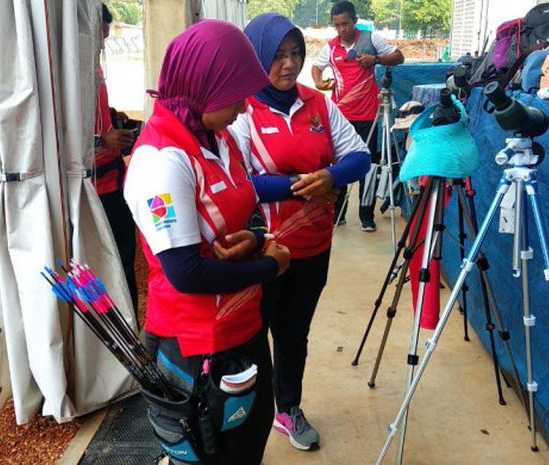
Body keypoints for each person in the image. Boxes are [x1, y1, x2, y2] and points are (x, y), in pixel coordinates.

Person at [123, 20, 291, 465]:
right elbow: (186, 273)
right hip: (194, 344)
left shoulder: (221, 136)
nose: (243, 106)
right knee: (211, 453)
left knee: (249, 439)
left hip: (243, 327)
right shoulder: (161, 161)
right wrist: (272, 265)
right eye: (233, 95)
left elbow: (248, 204)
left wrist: (255, 238)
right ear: (199, 88)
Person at [230, 13, 370, 451]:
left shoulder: (319, 104)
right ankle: (246, 417)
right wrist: (301, 186)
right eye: (276, 56)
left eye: (295, 54)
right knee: (252, 337)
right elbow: (240, 180)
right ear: (255, 57)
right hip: (265, 250)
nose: (288, 65)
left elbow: (360, 156)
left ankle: (288, 409)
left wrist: (330, 176)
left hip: (314, 246)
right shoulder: (242, 110)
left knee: (294, 335)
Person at [311, 1, 404, 231]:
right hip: (339, 117)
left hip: (368, 116)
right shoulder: (331, 47)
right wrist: (317, 81)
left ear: (355, 21)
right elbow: (316, 66)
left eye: (345, 23)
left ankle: (366, 215)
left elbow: (399, 57)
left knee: (369, 166)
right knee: (339, 165)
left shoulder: (371, 39)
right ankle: (338, 211)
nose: (342, 29)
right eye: (337, 25)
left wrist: (376, 60)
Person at [95, 3, 138, 311]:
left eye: (106, 36)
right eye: (99, 34)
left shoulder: (94, 67)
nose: (102, 42)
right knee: (100, 263)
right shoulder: (65, 71)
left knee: (124, 258)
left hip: (112, 177)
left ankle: (130, 323)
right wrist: (101, 139)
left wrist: (113, 119)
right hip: (88, 188)